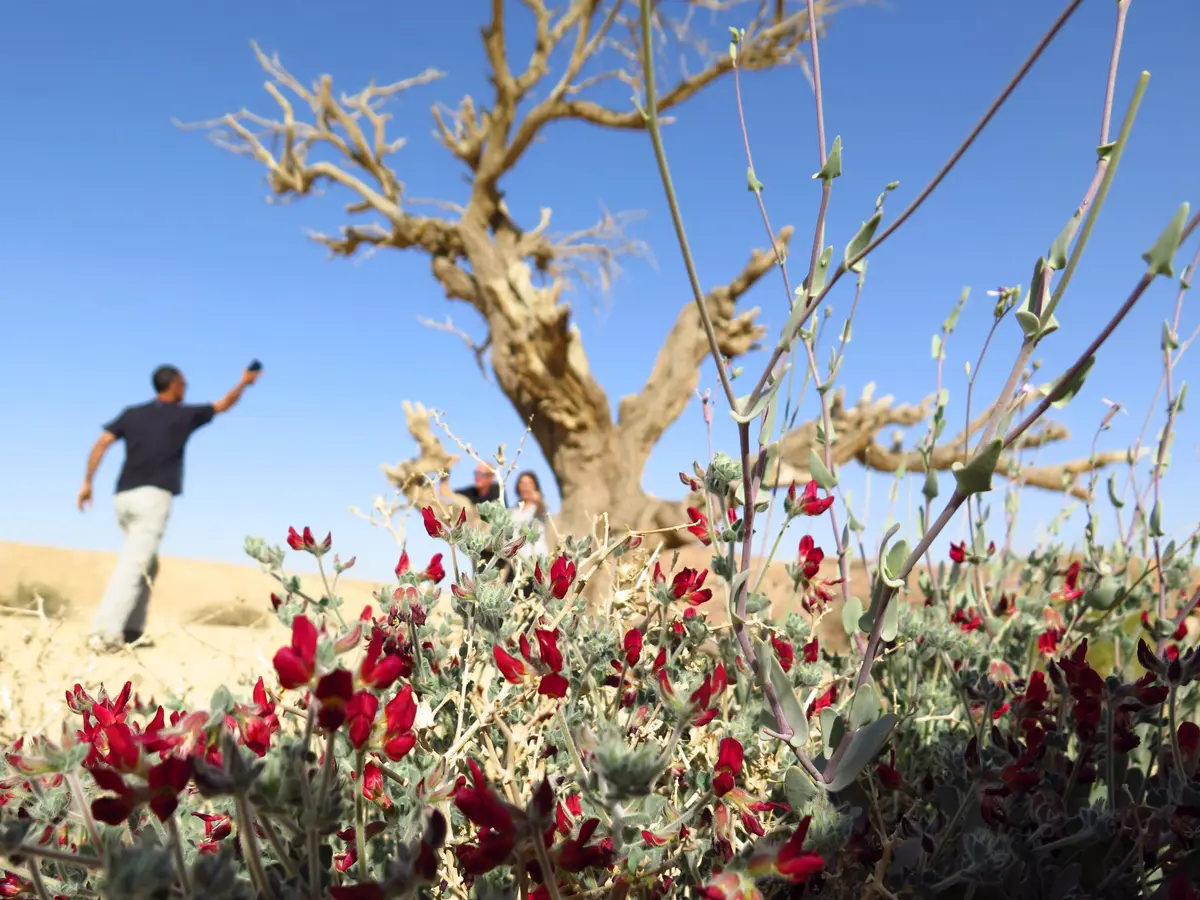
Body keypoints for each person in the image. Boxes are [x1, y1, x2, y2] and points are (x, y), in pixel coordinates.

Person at [77, 363, 263, 652]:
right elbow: (224, 404)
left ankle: (131, 630)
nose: (186, 389)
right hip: (152, 498)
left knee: (147, 563)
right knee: (134, 565)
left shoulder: (133, 413)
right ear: (174, 385)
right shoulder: (184, 414)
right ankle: (104, 635)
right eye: (184, 384)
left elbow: (102, 442)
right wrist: (244, 383)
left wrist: (87, 482)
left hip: (123, 497)